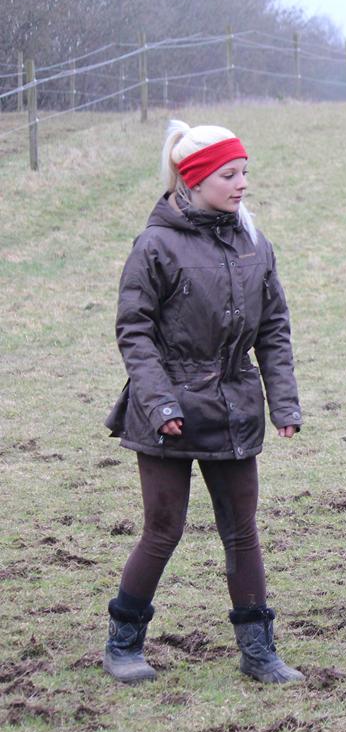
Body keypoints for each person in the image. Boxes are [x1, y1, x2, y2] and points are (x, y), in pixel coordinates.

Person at [102, 120, 304, 684]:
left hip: (234, 407)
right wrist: (161, 403)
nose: (242, 184)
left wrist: (283, 403)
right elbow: (134, 331)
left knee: (242, 530)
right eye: (228, 174)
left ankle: (258, 651)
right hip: (163, 412)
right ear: (194, 179)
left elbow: (275, 329)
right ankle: (123, 644)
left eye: (245, 173)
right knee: (162, 529)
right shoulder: (155, 245)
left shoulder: (253, 242)